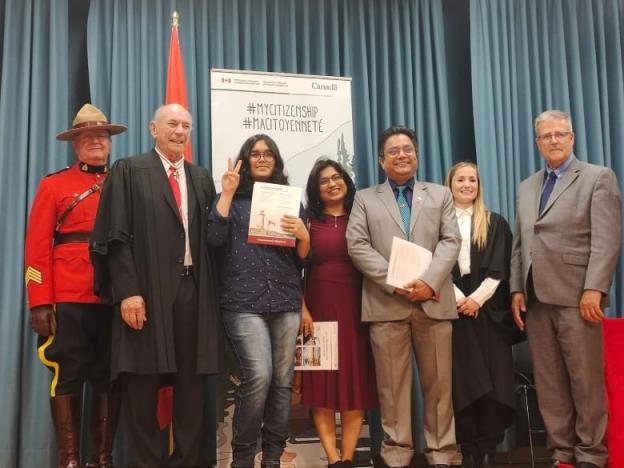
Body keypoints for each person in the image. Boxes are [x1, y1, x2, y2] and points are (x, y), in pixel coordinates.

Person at [90, 103, 222, 467]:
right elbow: (115, 238)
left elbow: (213, 237)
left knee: (192, 385)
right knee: (141, 383)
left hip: (192, 292)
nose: (180, 131)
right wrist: (128, 292)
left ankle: (186, 461)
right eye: (172, 124)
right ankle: (147, 462)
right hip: (145, 292)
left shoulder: (200, 177)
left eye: (186, 126)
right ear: (153, 129)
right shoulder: (129, 170)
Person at [510, 110, 622, 468]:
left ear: (572, 137)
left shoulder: (597, 178)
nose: (554, 140)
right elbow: (520, 243)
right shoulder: (527, 186)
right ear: (538, 142)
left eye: (560, 134)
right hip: (536, 298)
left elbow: (607, 240)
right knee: (550, 382)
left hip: (578, 296)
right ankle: (562, 453)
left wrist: (595, 289)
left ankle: (591, 453)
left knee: (584, 380)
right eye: (546, 136)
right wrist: (516, 289)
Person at [346, 126, 461, 468]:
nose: (401, 155)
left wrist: (428, 281)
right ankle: (396, 454)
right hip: (386, 303)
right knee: (392, 391)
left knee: (440, 387)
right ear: (382, 160)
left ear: (417, 155)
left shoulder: (440, 194)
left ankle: (441, 453)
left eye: (407, 149)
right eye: (393, 151)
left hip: (434, 301)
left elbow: (450, 241)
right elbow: (357, 245)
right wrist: (394, 281)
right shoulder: (365, 198)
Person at [24, 104, 126, 468]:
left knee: (108, 376)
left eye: (101, 136)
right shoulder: (54, 185)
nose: (96, 141)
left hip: (114, 295)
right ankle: (69, 461)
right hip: (67, 296)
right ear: (76, 144)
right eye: (87, 136)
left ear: (110, 142)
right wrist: (39, 301)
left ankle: (102, 458)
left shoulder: (124, 181)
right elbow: (37, 246)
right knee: (66, 375)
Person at [206, 134, 310, 468]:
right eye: (255, 154)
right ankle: (243, 458)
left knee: (282, 382)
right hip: (242, 301)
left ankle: (274, 458)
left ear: (276, 161)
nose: (262, 159)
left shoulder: (291, 201)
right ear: (246, 159)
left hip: (285, 299)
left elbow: (302, 259)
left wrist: (304, 236)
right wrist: (226, 193)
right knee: (260, 376)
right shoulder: (231, 199)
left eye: (268, 154)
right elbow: (214, 239)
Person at [300, 159, 379, 468]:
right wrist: (302, 309)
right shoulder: (306, 221)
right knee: (320, 385)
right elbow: (293, 270)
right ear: (316, 190)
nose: (332, 183)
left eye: (337, 177)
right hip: (316, 310)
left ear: (346, 180)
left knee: (355, 384)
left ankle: (347, 459)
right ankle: (332, 459)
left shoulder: (363, 217)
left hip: (359, 310)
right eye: (324, 181)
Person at [444, 162, 515, 468]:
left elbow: (499, 269)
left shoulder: (494, 222)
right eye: (460, 179)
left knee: (493, 380)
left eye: (472, 179)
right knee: (463, 382)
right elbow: (436, 267)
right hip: (454, 312)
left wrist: (475, 300)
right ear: (450, 185)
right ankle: (469, 449)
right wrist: (460, 300)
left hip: (488, 313)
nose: (467, 184)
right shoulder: (439, 224)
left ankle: (489, 449)